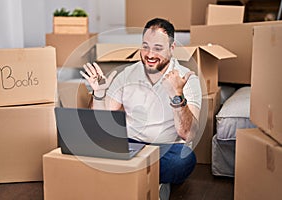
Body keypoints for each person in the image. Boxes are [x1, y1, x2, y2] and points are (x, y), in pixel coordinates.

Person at [80, 18, 202, 199]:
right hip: (130, 144)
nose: (150, 54)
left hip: (166, 150)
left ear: (172, 48)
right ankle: (146, 180)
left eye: (158, 48)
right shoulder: (127, 74)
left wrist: (176, 95)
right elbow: (101, 122)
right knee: (88, 149)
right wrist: (99, 93)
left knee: (183, 160)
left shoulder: (186, 79)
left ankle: (125, 177)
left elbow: (188, 134)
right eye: (145, 46)